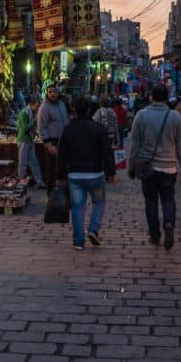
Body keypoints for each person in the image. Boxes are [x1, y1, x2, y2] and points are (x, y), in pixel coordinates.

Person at [128, 84, 181, 251]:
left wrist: (131, 167)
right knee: (168, 200)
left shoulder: (141, 116)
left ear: (151, 97)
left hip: (148, 168)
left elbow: (135, 145)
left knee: (151, 202)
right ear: (166, 97)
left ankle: (155, 235)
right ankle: (169, 223)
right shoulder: (176, 117)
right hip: (169, 167)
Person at [58, 97, 117, 250]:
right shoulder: (98, 129)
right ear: (90, 110)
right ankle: (93, 229)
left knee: (78, 207)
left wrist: (60, 176)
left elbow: (61, 155)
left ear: (74, 111)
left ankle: (78, 241)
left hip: (74, 175)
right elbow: (107, 153)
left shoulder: (68, 129)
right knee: (99, 202)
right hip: (95, 174)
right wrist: (111, 173)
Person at [37, 84, 68, 194]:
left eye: (54, 91)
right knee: (51, 169)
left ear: (58, 92)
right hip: (52, 142)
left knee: (62, 168)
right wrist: (48, 144)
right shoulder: (44, 108)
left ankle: (62, 194)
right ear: (47, 93)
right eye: (50, 92)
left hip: (63, 142)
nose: (52, 94)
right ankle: (50, 195)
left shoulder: (61, 105)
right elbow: (41, 127)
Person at [16, 95, 45, 188]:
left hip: (29, 140)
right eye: (37, 106)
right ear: (32, 104)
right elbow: (25, 128)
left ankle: (39, 181)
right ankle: (21, 180)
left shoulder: (30, 112)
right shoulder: (24, 113)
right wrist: (35, 121)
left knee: (34, 161)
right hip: (24, 140)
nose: (38, 108)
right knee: (23, 162)